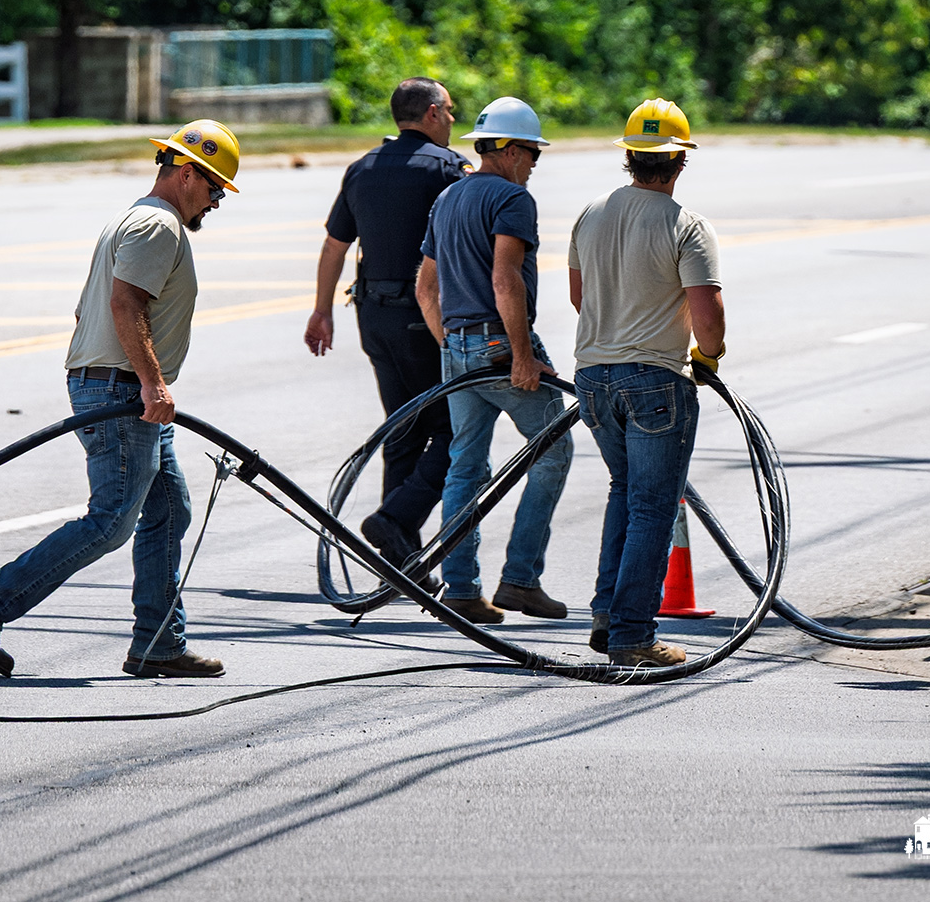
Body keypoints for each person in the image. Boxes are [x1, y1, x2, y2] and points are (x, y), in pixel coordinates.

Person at [0, 119, 241, 679]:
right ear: (185, 174)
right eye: (214, 189)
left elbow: (94, 307)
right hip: (122, 389)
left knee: (169, 509)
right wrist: (152, 383)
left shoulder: (136, 218)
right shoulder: (158, 226)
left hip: (119, 386)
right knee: (110, 520)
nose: (216, 202)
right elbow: (124, 305)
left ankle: (159, 643)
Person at [568, 98, 723, 667]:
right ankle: (632, 633)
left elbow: (579, 297)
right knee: (653, 507)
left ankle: (607, 618)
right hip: (655, 381)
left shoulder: (590, 215)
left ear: (629, 157)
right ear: (680, 160)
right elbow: (708, 317)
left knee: (624, 492)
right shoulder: (687, 225)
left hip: (592, 378)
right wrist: (709, 357)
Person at [414, 96, 573, 624]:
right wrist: (521, 356)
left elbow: (426, 289)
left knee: (465, 465)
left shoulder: (448, 197)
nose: (534, 164)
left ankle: (461, 589)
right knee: (553, 450)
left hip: (458, 348)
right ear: (508, 150)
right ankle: (521, 579)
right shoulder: (512, 198)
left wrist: (451, 348)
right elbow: (505, 281)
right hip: (500, 346)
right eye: (533, 153)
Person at [303, 78, 468, 567]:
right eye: (450, 110)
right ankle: (395, 520)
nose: (452, 119)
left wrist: (322, 310)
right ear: (432, 113)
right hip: (424, 320)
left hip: (374, 318)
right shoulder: (448, 169)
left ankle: (399, 560)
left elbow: (335, 246)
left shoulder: (362, 168)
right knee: (459, 430)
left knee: (403, 429)